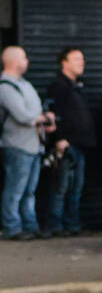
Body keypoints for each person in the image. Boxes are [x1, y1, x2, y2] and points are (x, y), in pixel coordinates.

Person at [0, 44, 55, 240]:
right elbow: (23, 115)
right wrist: (42, 118)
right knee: (15, 190)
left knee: (29, 191)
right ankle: (12, 228)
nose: (27, 62)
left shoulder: (25, 84)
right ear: (14, 61)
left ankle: (30, 226)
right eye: (24, 58)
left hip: (33, 145)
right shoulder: (5, 86)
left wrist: (42, 118)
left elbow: (34, 113)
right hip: (16, 146)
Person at [43, 46, 97, 237]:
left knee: (75, 189)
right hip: (67, 145)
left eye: (82, 59)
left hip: (80, 144)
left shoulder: (77, 86)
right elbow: (53, 114)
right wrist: (59, 139)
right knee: (61, 187)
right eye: (76, 59)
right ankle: (55, 225)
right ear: (64, 63)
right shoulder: (59, 86)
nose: (81, 62)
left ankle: (71, 224)